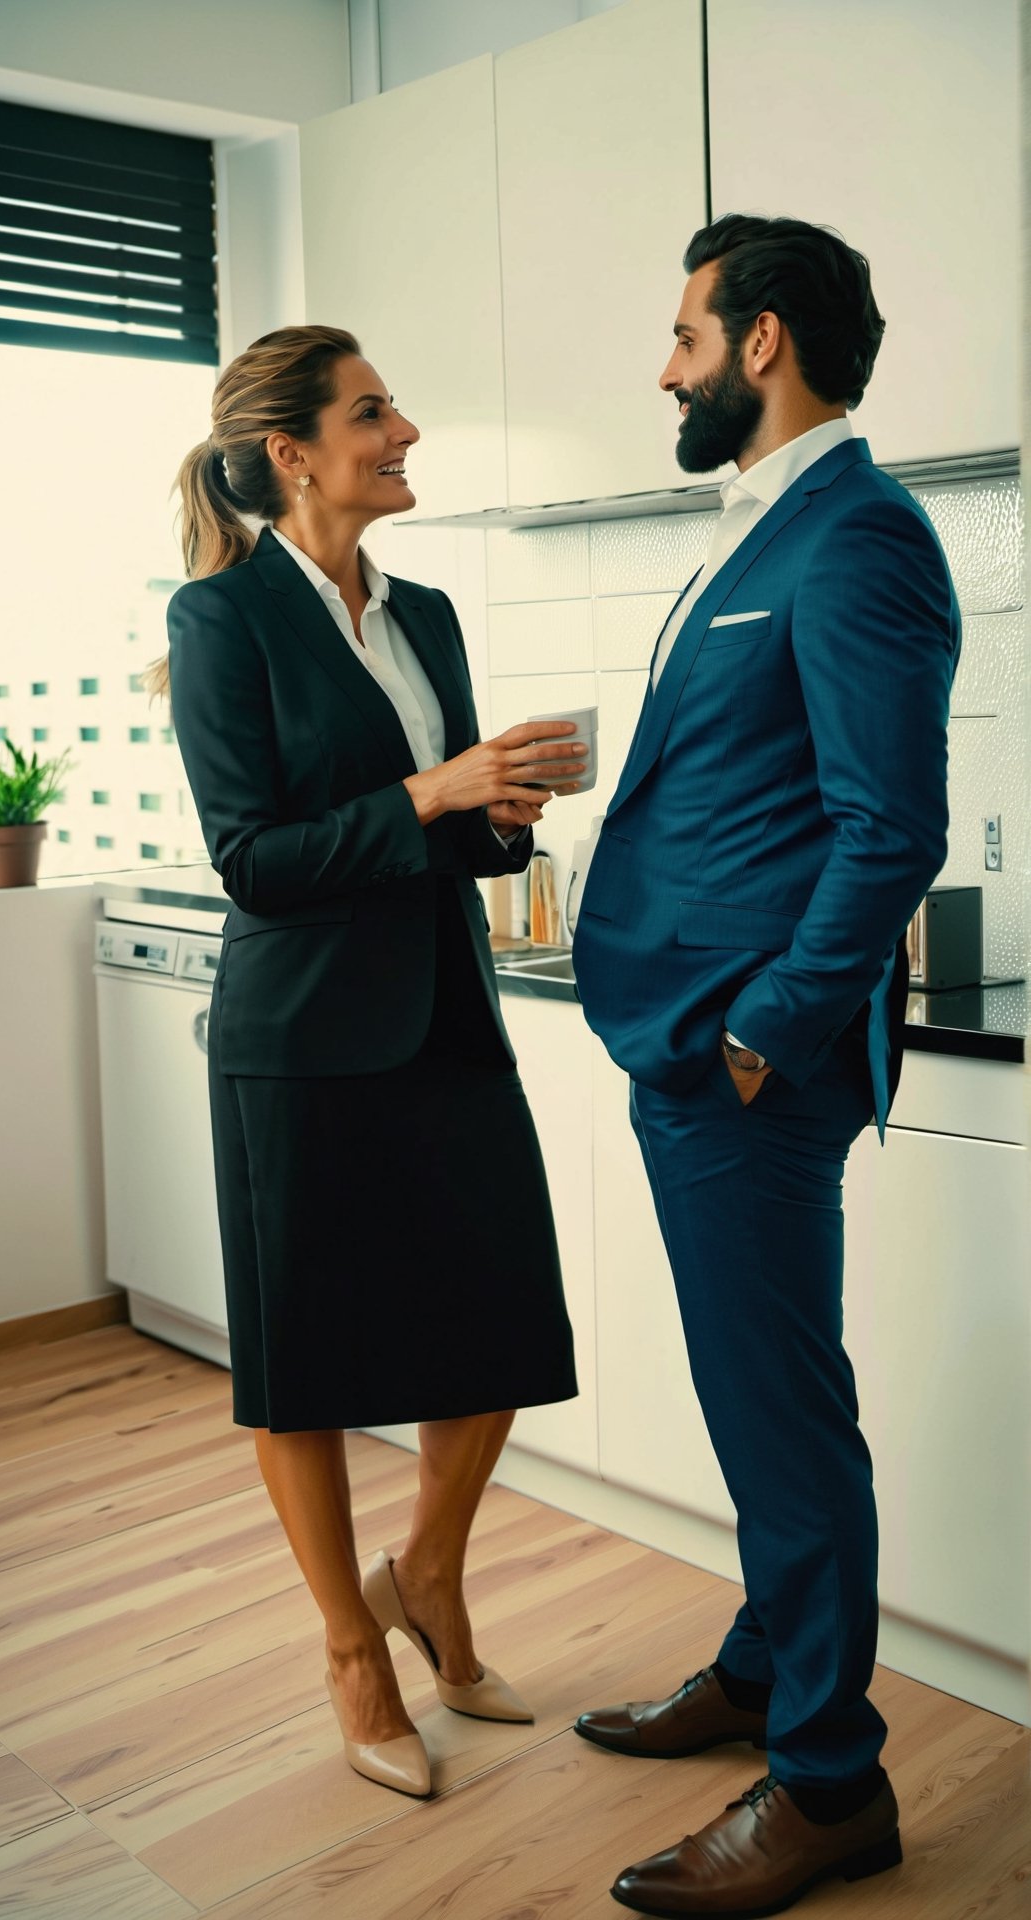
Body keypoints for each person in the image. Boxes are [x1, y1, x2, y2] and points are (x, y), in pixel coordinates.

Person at [570, 216, 960, 1915]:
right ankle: (755, 1671)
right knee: (755, 1400)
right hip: (694, 1047)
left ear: (765, 341)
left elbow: (893, 836)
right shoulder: (767, 531)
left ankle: (827, 1783)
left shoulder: (859, 538)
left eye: (683, 335)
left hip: (746, 1066)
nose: (666, 367)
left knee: (785, 1424)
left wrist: (755, 1033)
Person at [157, 325, 583, 1800]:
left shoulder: (434, 615)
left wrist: (503, 811)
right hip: (300, 1042)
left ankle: (433, 1577)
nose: (405, 431)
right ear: (294, 453)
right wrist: (430, 789)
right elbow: (253, 862)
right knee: (312, 1367)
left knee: (506, 1323)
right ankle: (354, 1646)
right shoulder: (222, 621)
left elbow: (448, 839)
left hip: (446, 1016)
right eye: (374, 411)